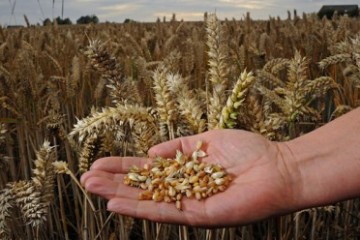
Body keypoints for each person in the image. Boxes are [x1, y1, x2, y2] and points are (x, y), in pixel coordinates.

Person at [80, 107, 360, 227]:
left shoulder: (194, 179)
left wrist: (287, 165)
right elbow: (183, 182)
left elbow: (187, 183)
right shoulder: (184, 178)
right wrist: (287, 162)